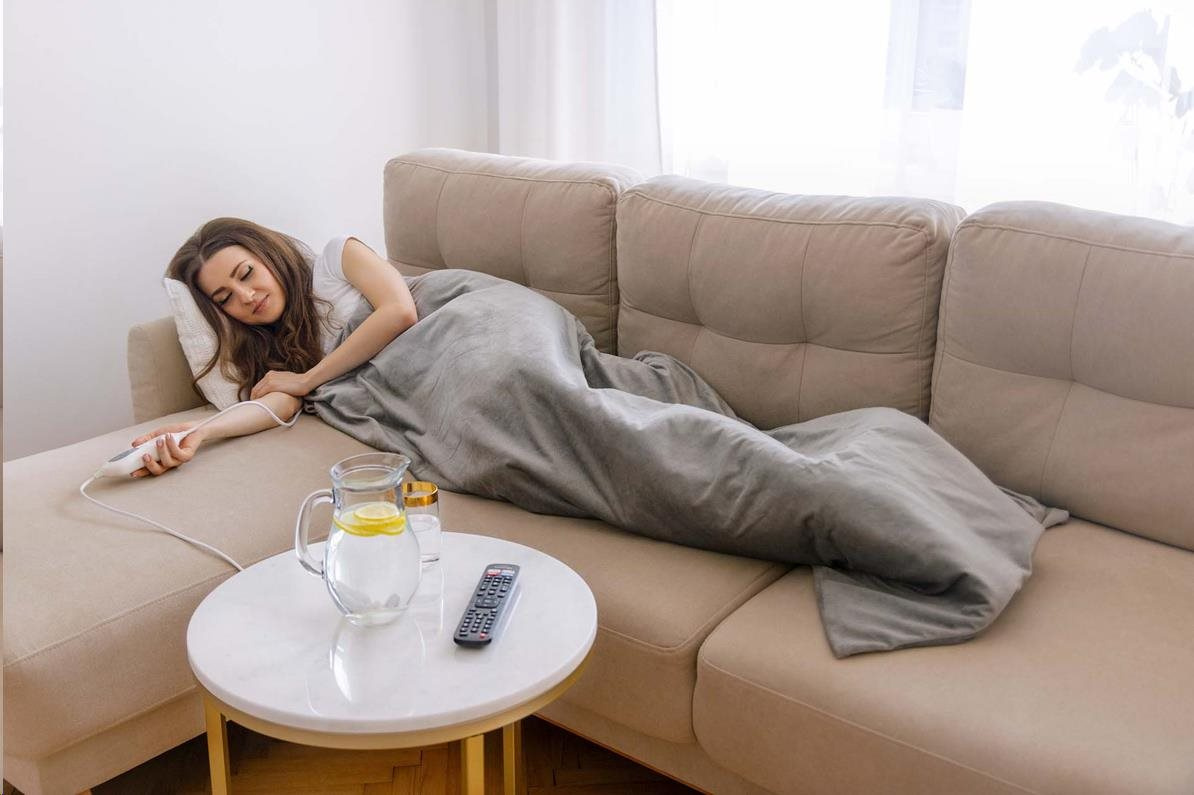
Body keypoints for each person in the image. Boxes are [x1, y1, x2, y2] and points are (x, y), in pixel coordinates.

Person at [130, 218, 417, 477]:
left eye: (246, 273)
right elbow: (279, 404)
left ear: (268, 254)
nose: (246, 296)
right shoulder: (278, 350)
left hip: (436, 328)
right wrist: (200, 431)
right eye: (225, 298)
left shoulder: (336, 257)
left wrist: (308, 380)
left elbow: (400, 310)